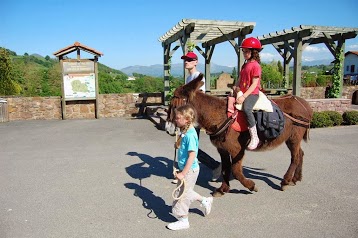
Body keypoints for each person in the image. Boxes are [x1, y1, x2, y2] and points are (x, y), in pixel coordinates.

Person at [167, 104, 213, 231]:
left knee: (181, 195)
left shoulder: (190, 134)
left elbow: (192, 156)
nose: (175, 120)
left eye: (178, 118)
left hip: (190, 170)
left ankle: (183, 220)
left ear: (187, 119)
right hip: (186, 169)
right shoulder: (184, 131)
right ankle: (205, 201)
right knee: (187, 192)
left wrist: (183, 173)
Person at [234, 37, 263, 150]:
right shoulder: (245, 65)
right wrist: (236, 87)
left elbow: (254, 84)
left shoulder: (256, 66)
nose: (245, 53)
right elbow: (240, 78)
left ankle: (254, 137)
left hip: (252, 93)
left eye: (247, 51)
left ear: (253, 52)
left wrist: (243, 96)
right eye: (244, 51)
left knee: (246, 108)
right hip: (241, 92)